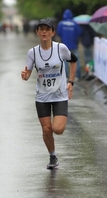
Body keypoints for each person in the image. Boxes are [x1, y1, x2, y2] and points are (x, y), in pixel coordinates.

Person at [21, 18, 77, 169]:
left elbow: (74, 60)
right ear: (37, 32)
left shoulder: (61, 48)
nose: (44, 32)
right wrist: (25, 76)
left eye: (47, 29)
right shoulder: (32, 52)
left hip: (59, 95)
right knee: (46, 129)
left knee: (57, 129)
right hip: (42, 97)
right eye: (41, 29)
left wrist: (71, 82)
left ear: (53, 32)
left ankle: (60, 119)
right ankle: (52, 156)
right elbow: (27, 72)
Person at [57, 9, 82, 80]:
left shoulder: (61, 24)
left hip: (64, 46)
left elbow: (59, 33)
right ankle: (77, 76)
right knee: (75, 61)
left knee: (64, 62)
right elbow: (79, 33)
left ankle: (66, 76)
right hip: (74, 45)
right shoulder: (75, 24)